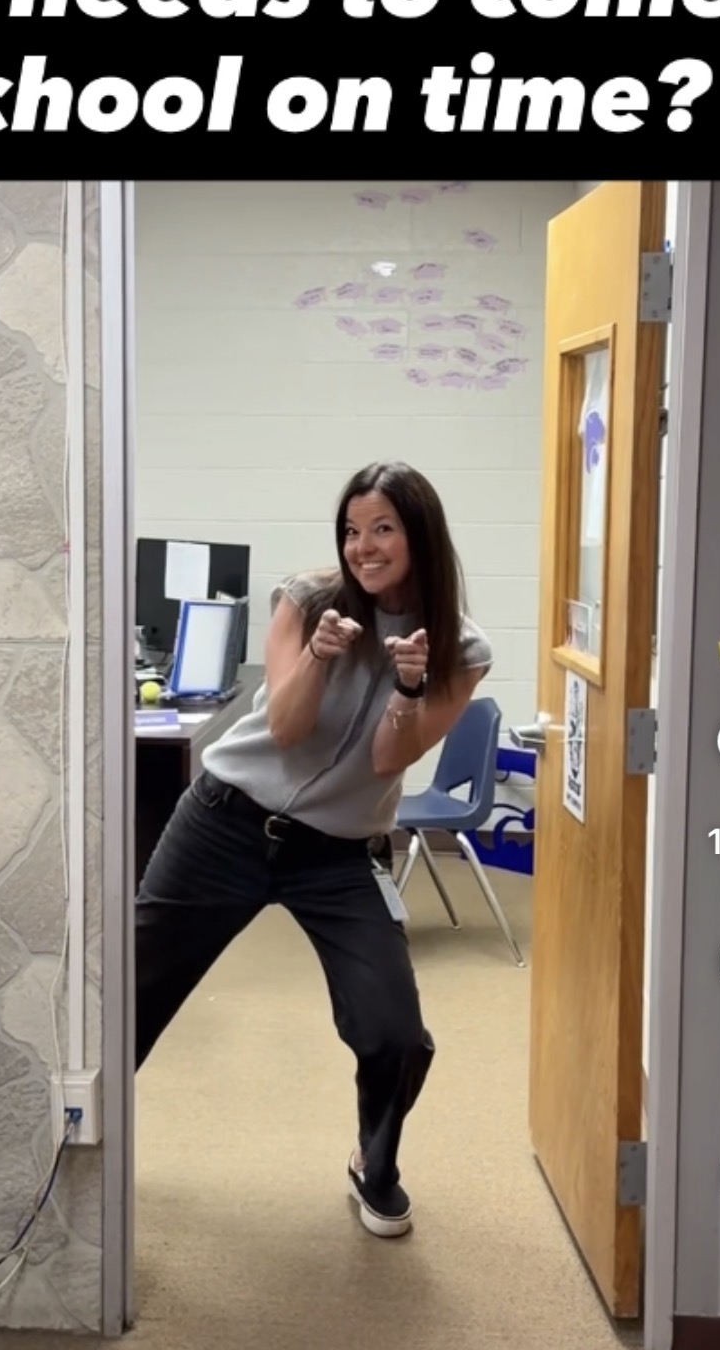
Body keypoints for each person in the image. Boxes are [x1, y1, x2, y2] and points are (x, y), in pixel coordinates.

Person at [135, 461, 492, 1239]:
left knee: (394, 1033)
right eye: (351, 530)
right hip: (225, 825)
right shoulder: (304, 600)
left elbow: (389, 759)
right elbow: (288, 728)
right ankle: (80, 1146)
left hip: (339, 855)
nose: (363, 546)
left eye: (382, 528)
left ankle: (375, 1164)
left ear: (419, 535)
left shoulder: (460, 648)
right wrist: (319, 656)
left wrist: (408, 687)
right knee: (134, 986)